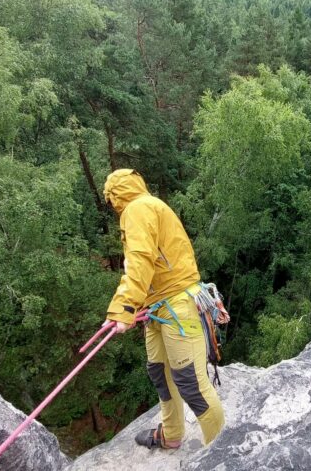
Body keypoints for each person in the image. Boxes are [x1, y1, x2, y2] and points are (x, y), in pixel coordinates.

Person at [101, 169, 225, 449]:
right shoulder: (148, 206)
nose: (110, 206)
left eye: (109, 200)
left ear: (115, 195)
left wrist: (124, 309)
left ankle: (220, 452)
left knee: (192, 383)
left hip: (178, 306)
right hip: (159, 307)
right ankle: (171, 435)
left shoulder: (137, 209)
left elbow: (140, 260)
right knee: (160, 372)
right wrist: (126, 308)